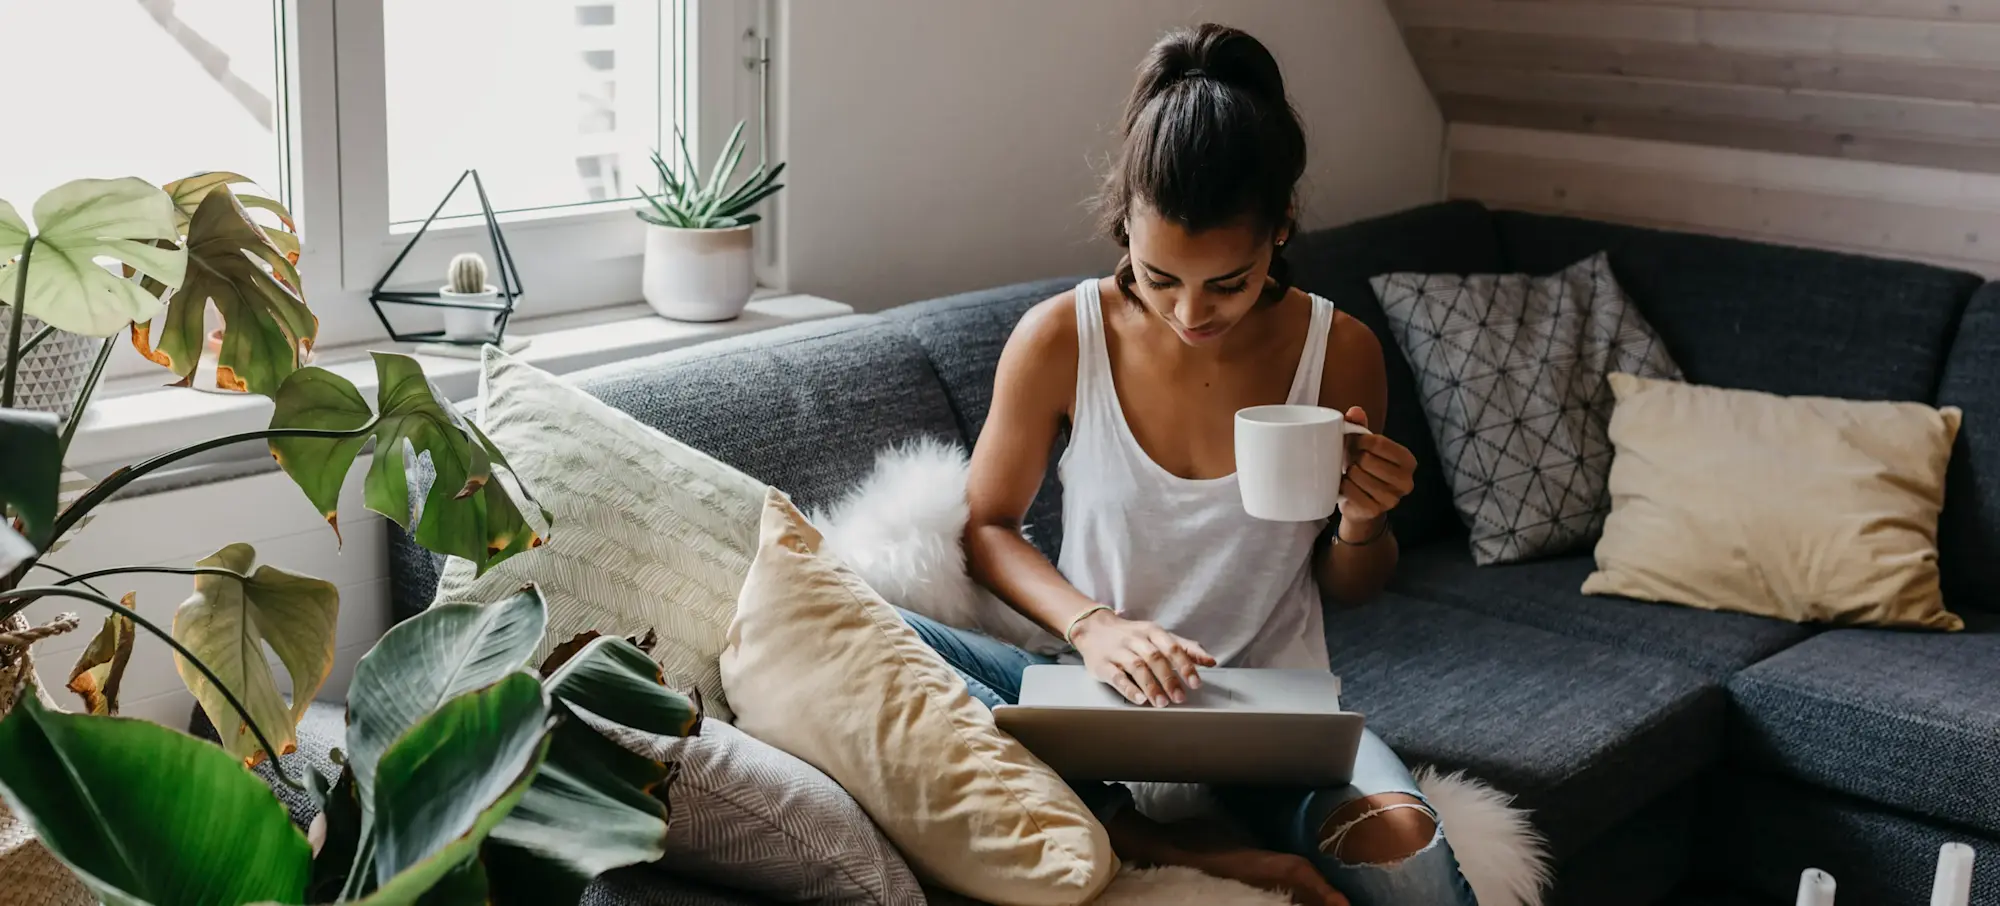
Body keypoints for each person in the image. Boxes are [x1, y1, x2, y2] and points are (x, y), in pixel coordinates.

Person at [894, 23, 1478, 906]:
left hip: (1270, 716)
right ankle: (1159, 837)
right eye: (1160, 275)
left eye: (1229, 282)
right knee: (883, 638)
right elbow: (983, 526)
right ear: (1124, 216)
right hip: (1096, 700)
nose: (1190, 313)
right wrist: (1094, 626)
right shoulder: (1061, 338)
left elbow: (1351, 584)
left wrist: (1366, 522)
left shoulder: (1340, 351)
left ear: (1281, 229)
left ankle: (1164, 833)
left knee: (1412, 864)